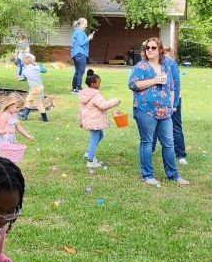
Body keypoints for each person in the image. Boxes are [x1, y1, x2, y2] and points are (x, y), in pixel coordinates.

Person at [128, 38, 187, 185]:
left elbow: (172, 87)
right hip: (145, 110)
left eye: (153, 48)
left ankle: (173, 175)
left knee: (168, 143)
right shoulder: (141, 66)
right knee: (147, 142)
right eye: (147, 48)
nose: (149, 50)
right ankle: (148, 176)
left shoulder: (167, 66)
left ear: (160, 50)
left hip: (165, 111)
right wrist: (154, 80)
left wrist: (172, 106)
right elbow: (133, 84)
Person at [78, 70, 119, 169]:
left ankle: (89, 153)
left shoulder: (85, 94)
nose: (100, 84)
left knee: (100, 135)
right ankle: (91, 161)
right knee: (95, 138)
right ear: (93, 84)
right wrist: (115, 101)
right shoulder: (95, 94)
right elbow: (103, 105)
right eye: (99, 83)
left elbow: (80, 109)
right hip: (94, 121)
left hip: (90, 120)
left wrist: (80, 120)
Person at [160, 38, 187, 166]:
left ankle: (181, 154)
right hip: (160, 99)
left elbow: (176, 85)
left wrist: (174, 104)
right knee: (156, 126)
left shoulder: (171, 64)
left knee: (175, 126)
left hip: (173, 99)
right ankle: (151, 150)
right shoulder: (159, 63)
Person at [18, 53, 52, 123]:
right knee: (38, 103)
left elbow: (23, 78)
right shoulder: (36, 67)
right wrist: (38, 65)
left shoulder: (24, 71)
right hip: (40, 87)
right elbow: (44, 70)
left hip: (35, 88)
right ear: (32, 62)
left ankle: (24, 116)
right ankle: (44, 118)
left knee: (28, 99)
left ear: (24, 63)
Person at [70, 18, 92, 93]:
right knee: (81, 71)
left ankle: (74, 87)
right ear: (81, 24)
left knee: (77, 71)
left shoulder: (78, 31)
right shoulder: (79, 32)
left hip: (76, 53)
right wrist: (88, 38)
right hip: (80, 53)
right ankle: (78, 88)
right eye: (85, 24)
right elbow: (81, 43)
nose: (86, 26)